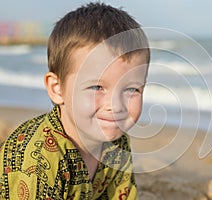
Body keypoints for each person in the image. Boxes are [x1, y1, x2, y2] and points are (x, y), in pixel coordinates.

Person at [0, 2, 150, 199]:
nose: (115, 106)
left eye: (131, 89)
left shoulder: (117, 142)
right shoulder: (41, 160)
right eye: (97, 87)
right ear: (57, 89)